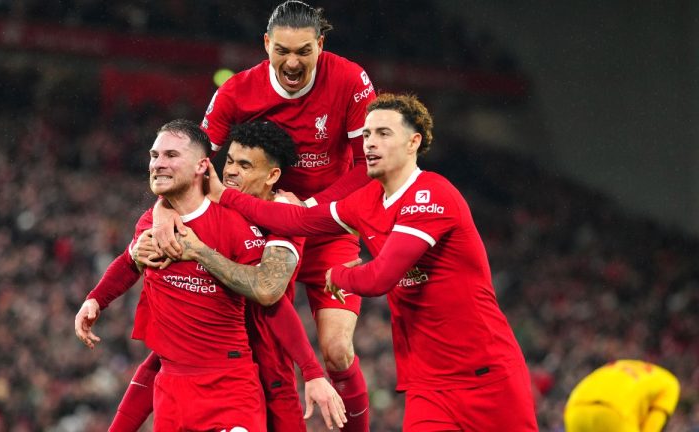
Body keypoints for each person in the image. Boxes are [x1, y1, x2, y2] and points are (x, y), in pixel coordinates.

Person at [202, 93, 539, 431]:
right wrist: (225, 196)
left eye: (383, 134)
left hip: (486, 376)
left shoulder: (432, 194)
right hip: (427, 386)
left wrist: (339, 275)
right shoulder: (366, 200)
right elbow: (300, 221)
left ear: (413, 142)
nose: (370, 144)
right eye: (366, 135)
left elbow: (380, 278)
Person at [150, 2, 376, 429]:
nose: (293, 62)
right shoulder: (238, 90)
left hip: (327, 231)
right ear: (267, 44)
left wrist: (308, 210)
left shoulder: (349, 79)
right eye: (283, 50)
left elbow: (369, 165)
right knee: (264, 351)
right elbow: (194, 156)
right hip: (263, 232)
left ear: (320, 46)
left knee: (336, 352)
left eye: (305, 52)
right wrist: (163, 207)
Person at [75, 120, 346, 431]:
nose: (230, 172)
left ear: (272, 176)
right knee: (163, 357)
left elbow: (268, 293)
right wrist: (162, 212)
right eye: (229, 161)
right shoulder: (175, 213)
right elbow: (144, 237)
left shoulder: (285, 214)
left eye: (245, 165)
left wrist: (312, 372)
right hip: (193, 359)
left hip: (262, 359)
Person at [564, 360, 681, 432]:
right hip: (615, 412)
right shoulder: (671, 383)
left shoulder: (622, 364)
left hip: (574, 409)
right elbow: (654, 424)